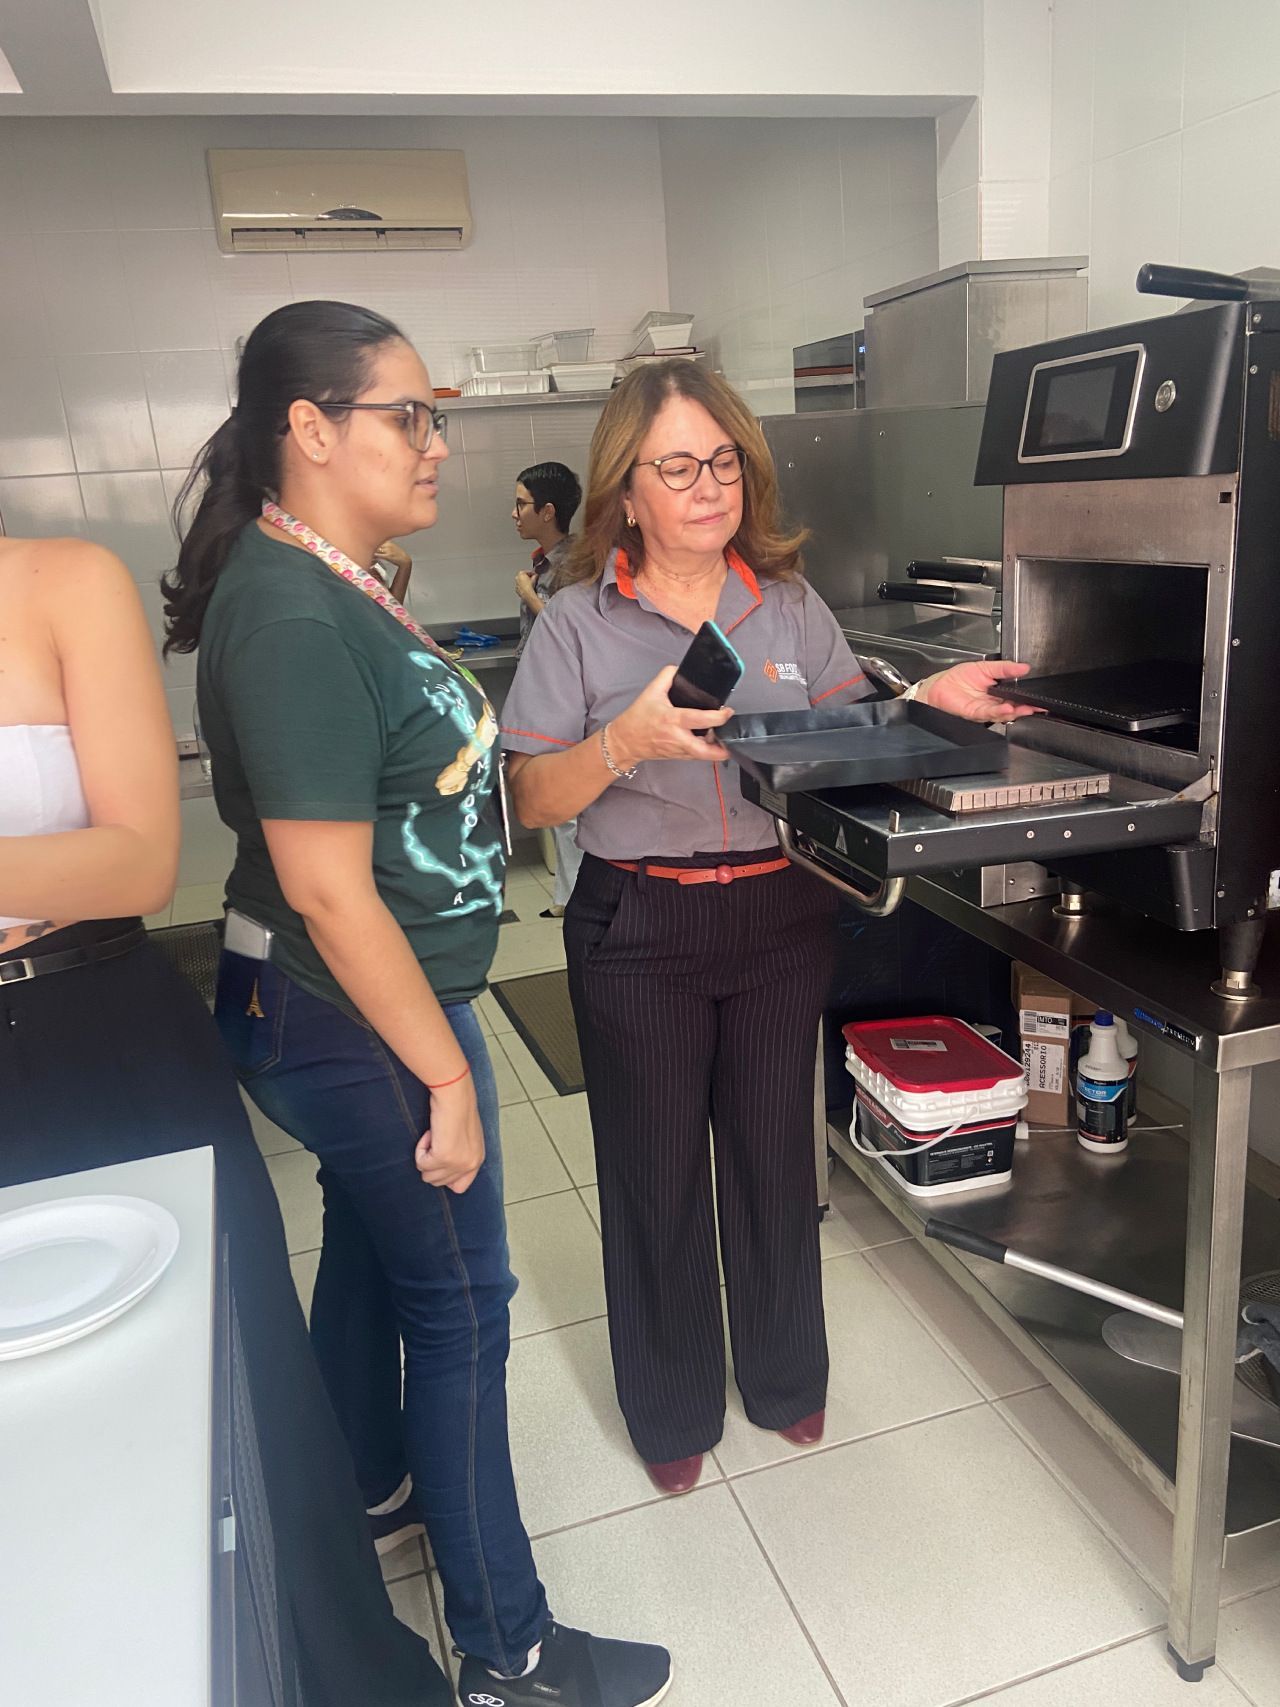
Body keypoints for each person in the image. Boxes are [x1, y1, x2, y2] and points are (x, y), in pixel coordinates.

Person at [163, 300, 672, 1707]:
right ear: (310, 430)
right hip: (358, 1011)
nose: (436, 443)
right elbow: (331, 888)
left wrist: (617, 743)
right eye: (409, 414)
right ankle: (510, 1646)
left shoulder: (345, 578)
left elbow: (456, 798)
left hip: (342, 1002)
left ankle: (369, 1477)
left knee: (386, 1256)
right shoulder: (287, 613)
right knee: (465, 1308)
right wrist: (446, 1071)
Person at [500, 359, 1036, 1494]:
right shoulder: (578, 629)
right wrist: (621, 746)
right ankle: (670, 1405)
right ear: (626, 492)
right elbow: (526, 799)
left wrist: (922, 706)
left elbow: (844, 725)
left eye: (723, 459)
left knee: (770, 1161)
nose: (708, 484)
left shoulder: (785, 605)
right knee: (653, 1178)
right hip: (636, 920)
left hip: (777, 912)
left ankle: (786, 1380)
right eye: (677, 465)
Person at [0, 533, 453, 1706]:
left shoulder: (61, 581)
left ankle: (325, 1665)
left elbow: (140, 858)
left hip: (92, 1033)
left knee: (232, 1380)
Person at [513, 460, 584, 918]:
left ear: (548, 511)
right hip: (544, 693)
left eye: (521, 504)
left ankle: (575, 898)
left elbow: (572, 633)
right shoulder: (544, 562)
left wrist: (530, 597)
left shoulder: (577, 563)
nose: (514, 513)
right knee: (556, 808)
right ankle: (565, 895)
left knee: (571, 806)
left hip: (567, 696)